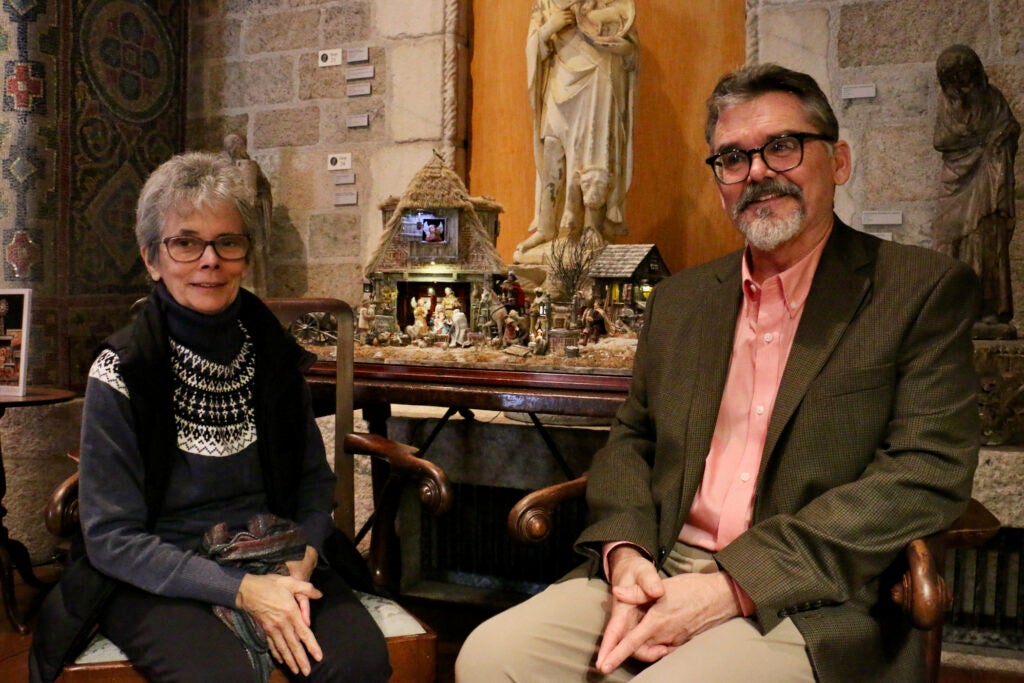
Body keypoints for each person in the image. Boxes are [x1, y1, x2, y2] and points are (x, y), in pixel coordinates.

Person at [457, 64, 981, 683]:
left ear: (838, 161)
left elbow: (924, 472)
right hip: (658, 566)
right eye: (732, 158)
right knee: (491, 659)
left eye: (783, 146)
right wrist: (624, 553)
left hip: (810, 593)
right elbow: (633, 440)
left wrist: (736, 585)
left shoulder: (918, 290)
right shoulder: (680, 301)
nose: (757, 172)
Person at [43, 152, 390, 682]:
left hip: (278, 552)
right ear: (152, 258)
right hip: (156, 572)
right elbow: (112, 536)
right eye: (185, 243)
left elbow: (314, 487)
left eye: (228, 242)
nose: (210, 260)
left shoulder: (273, 355)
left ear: (245, 256)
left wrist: (301, 563)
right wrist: (243, 591)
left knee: (356, 663)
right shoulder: (122, 369)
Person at [515, 0, 638, 264]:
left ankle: (591, 228)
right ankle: (547, 228)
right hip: (561, 80)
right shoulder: (545, 3)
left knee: (595, 151)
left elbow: (631, 47)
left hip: (599, 76)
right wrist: (550, 28)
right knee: (552, 149)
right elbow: (533, 45)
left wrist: (624, 49)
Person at [932, 44, 1019, 333]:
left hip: (988, 181)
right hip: (958, 185)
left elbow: (1009, 128)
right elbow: (941, 140)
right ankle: (954, 310)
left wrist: (996, 140)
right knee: (949, 240)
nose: (963, 85)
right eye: (956, 79)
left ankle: (990, 310)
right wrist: (975, 137)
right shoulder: (947, 105)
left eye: (967, 77)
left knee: (986, 240)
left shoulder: (992, 99)